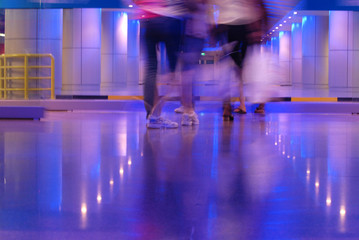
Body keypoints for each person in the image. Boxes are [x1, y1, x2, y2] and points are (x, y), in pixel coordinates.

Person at [210, 0, 268, 119]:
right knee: (243, 66)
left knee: (229, 65)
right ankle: (252, 102)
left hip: (226, 26)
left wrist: (212, 28)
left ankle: (228, 105)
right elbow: (260, 5)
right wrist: (262, 27)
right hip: (245, 25)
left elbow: (210, 5)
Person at [134, 0, 186, 128]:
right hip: (170, 19)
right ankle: (156, 115)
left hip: (148, 20)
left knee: (150, 68)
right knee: (173, 71)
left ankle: (152, 116)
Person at [179, 0, 209, 126]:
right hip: (195, 33)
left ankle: (188, 108)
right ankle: (188, 109)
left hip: (193, 33)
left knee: (188, 72)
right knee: (188, 73)